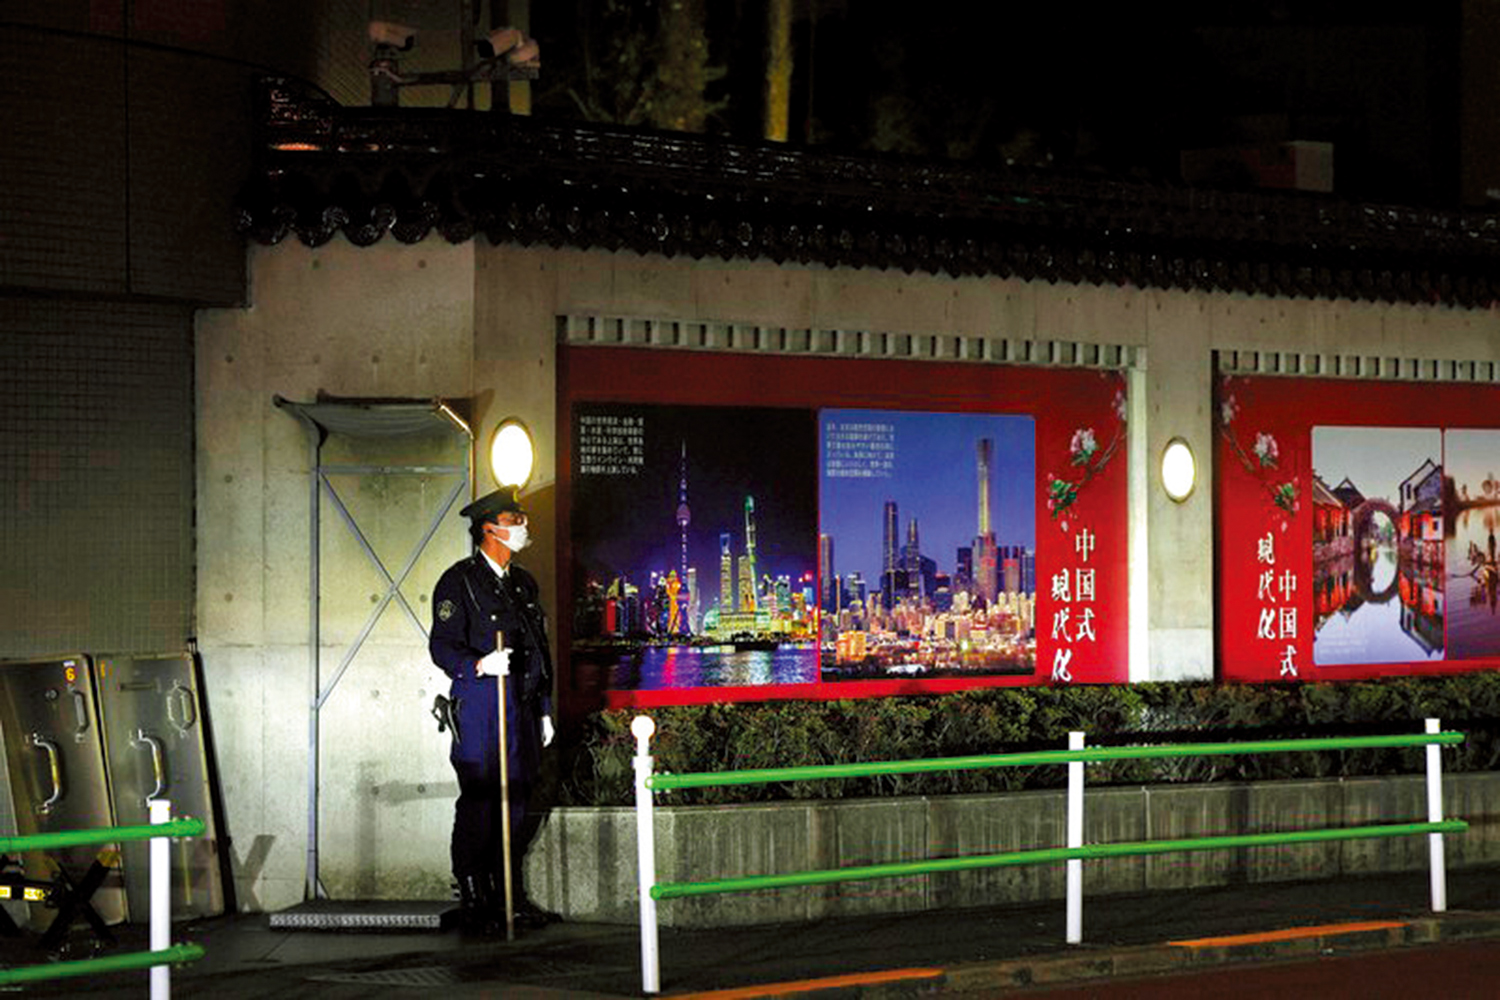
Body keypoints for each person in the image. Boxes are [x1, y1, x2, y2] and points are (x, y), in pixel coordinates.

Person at [429, 487, 556, 934]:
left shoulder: (522, 583)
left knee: (517, 802)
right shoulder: (460, 581)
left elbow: (538, 649)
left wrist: (543, 708)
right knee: (481, 801)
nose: (523, 525)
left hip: (520, 708)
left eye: (522, 518)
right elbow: (442, 646)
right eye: (513, 519)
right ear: (488, 528)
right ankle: (474, 897)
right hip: (482, 708)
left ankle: (508, 897)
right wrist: (480, 665)